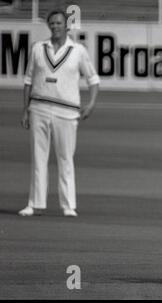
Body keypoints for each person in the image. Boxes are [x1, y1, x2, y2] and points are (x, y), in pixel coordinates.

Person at [18, 9, 100, 217]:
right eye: (52, 23)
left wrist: (90, 104)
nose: (55, 26)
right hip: (39, 108)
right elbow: (28, 81)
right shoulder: (38, 48)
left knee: (65, 159)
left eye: (59, 23)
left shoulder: (78, 50)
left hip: (67, 112)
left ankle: (68, 205)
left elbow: (93, 79)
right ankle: (34, 203)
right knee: (38, 158)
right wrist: (25, 109)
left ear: (67, 26)